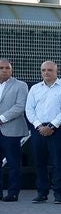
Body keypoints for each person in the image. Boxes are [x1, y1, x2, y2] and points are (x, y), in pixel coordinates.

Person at [25, 60, 61, 204]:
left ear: (56, 71)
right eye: (44, 70)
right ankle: (42, 192)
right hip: (38, 129)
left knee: (58, 162)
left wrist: (51, 126)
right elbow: (29, 109)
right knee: (40, 162)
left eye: (49, 70)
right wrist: (39, 126)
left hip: (56, 130)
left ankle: (58, 194)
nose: (46, 73)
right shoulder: (35, 89)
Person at [0, 58, 27, 201]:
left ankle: (13, 192)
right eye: (2, 68)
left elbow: (20, 106)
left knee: (13, 164)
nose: (5, 70)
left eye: (7, 68)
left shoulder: (20, 85)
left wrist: (2, 118)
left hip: (11, 130)